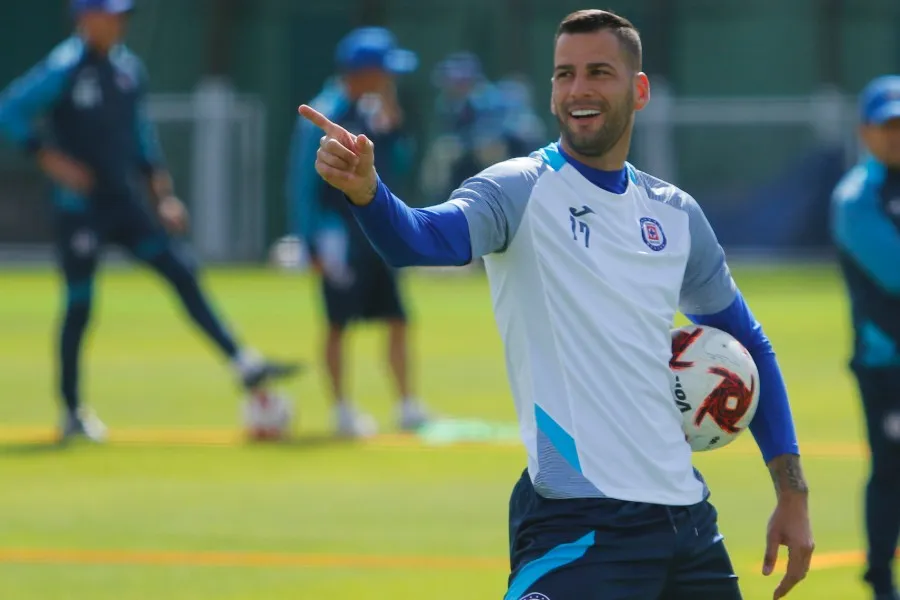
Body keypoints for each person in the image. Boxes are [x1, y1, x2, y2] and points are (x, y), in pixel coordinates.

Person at [299, 9, 816, 599]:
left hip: (689, 526)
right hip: (580, 526)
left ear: (638, 89)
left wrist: (792, 492)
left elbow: (748, 342)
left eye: (599, 72)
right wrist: (369, 193)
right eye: (564, 74)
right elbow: (421, 238)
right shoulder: (517, 188)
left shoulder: (674, 214)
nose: (578, 90)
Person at [0, 0, 300, 443]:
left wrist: (163, 196)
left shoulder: (128, 70)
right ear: (85, 18)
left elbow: (141, 136)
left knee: (180, 270)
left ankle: (243, 362)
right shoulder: (63, 66)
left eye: (122, 15)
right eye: (110, 14)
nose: (119, 22)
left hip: (123, 202)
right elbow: (10, 110)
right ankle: (71, 410)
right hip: (79, 208)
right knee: (80, 304)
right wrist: (51, 160)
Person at [286, 26, 429, 437]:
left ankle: (406, 405)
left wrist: (393, 124)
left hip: (376, 234)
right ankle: (342, 411)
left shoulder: (372, 112)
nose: (390, 80)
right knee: (337, 323)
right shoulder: (324, 111)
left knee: (398, 318)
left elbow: (398, 165)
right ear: (364, 71)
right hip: (338, 238)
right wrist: (309, 240)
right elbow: (301, 181)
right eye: (384, 71)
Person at [831, 75, 900, 600]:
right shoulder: (857, 198)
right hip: (886, 363)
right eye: (888, 126)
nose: (896, 135)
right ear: (867, 131)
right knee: (892, 473)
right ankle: (880, 579)